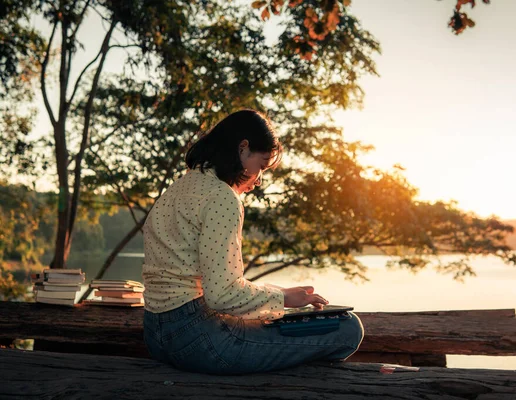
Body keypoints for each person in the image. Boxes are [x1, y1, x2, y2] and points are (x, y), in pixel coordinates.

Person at [141, 109, 364, 375]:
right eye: (261, 165)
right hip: (200, 340)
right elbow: (222, 296)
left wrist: (281, 293)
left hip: (156, 334)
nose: (258, 180)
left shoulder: (181, 186)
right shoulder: (222, 197)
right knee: (347, 328)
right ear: (243, 148)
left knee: (284, 324)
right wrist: (283, 299)